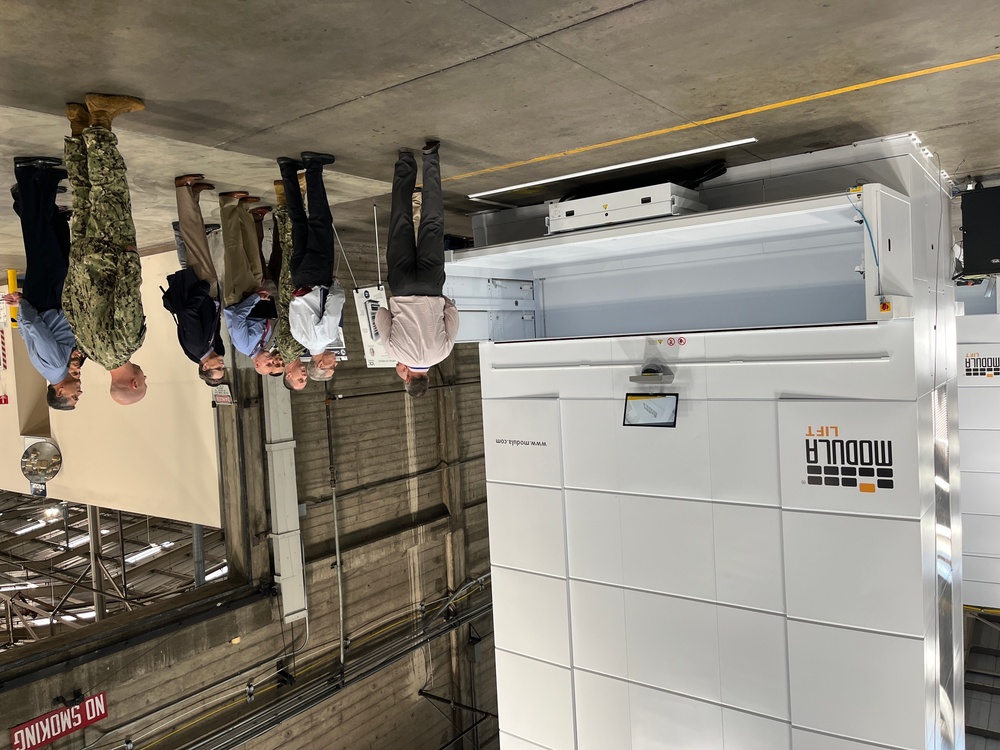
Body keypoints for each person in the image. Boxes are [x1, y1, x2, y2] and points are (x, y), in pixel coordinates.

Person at [60, 93, 147, 406]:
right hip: (81, 255)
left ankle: (101, 117)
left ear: (134, 383)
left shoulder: (128, 344)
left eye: (144, 382)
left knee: (110, 189)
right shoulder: (89, 351)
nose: (146, 377)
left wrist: (129, 257)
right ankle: (77, 124)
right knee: (83, 194)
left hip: (109, 254)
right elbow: (68, 303)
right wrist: (76, 266)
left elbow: (127, 294)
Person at [375, 141, 459, 398]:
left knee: (432, 222)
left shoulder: (442, 353)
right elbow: (380, 314)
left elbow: (453, 313)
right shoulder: (395, 353)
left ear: (429, 378)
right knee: (400, 221)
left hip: (431, 287)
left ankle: (430, 157)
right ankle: (404, 160)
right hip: (401, 287)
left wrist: (437, 299)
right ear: (408, 377)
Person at [6, 156, 83, 409]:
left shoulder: (53, 366)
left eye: (73, 397)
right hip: (49, 299)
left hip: (45, 298)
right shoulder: (57, 367)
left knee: (39, 238)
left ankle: (27, 175)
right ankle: (45, 183)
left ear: (59, 392)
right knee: (50, 242)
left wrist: (24, 302)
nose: (79, 394)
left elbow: (33, 327)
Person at [278, 151, 345, 385]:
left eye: (331, 366)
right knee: (298, 222)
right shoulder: (301, 339)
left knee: (320, 221)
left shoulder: (326, 336)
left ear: (320, 364)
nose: (335, 362)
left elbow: (334, 304)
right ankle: (287, 169)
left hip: (318, 276)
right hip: (298, 277)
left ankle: (313, 166)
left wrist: (337, 285)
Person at [161, 175, 225, 385]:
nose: (222, 364)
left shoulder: (197, 345)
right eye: (222, 368)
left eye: (218, 368)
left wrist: (203, 288)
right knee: (198, 239)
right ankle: (193, 195)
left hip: (201, 286)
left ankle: (183, 190)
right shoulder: (209, 348)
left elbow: (188, 311)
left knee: (194, 238)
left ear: (205, 366)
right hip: (208, 291)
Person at [220, 188, 281, 375]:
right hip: (256, 292)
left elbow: (238, 317)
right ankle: (243, 210)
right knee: (252, 250)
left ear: (257, 365)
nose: (271, 360)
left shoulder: (244, 345)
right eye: (273, 363)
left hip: (240, 295)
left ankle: (228, 204)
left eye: (268, 364)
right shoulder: (264, 343)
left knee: (235, 248)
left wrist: (255, 298)